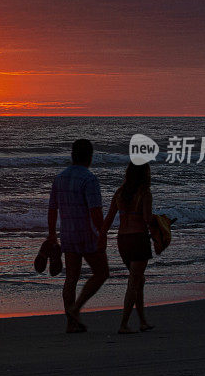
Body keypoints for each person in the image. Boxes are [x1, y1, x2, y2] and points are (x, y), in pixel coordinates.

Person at [47, 139, 110, 333]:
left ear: (73, 155)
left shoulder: (60, 178)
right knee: (101, 272)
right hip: (87, 234)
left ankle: (71, 323)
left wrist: (52, 235)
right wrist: (103, 233)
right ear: (90, 156)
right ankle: (75, 308)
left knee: (71, 278)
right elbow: (96, 213)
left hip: (68, 234)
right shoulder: (89, 179)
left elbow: (52, 210)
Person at [101, 162, 155, 334]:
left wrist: (100, 238)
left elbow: (108, 219)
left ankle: (143, 321)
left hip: (122, 240)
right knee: (134, 282)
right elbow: (147, 219)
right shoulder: (145, 193)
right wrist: (161, 224)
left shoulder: (119, 193)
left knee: (139, 280)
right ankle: (124, 324)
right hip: (139, 238)